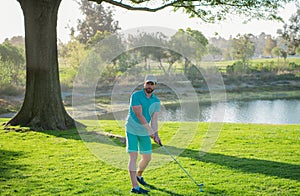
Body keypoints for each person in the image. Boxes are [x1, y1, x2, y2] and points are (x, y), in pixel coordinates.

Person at [125, 74, 161, 194]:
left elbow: (154, 120)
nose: (149, 86)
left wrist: (156, 134)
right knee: (133, 157)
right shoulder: (136, 95)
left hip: (144, 132)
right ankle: (135, 187)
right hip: (132, 129)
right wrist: (150, 131)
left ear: (155, 86)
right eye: (148, 83)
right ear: (144, 84)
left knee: (147, 158)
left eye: (152, 84)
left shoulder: (156, 101)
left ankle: (139, 176)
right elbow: (139, 115)